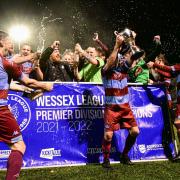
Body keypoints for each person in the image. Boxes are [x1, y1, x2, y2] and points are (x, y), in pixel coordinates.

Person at [0, 30, 53, 179]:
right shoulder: (6, 62)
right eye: (9, 41)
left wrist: (27, 91)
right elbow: (28, 80)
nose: (12, 44)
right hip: (0, 110)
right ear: (2, 42)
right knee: (18, 146)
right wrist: (45, 86)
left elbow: (9, 85)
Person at [101, 32, 139, 168]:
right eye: (113, 58)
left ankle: (124, 155)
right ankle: (106, 160)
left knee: (135, 132)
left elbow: (135, 56)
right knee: (108, 137)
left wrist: (132, 40)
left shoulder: (124, 69)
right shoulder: (105, 70)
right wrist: (117, 45)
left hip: (125, 107)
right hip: (111, 108)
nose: (116, 60)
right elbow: (111, 60)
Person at [147, 61, 180, 161]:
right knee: (178, 125)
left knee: (178, 125)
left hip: (174, 101)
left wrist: (155, 65)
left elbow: (169, 70)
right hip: (178, 102)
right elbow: (169, 73)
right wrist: (155, 68)